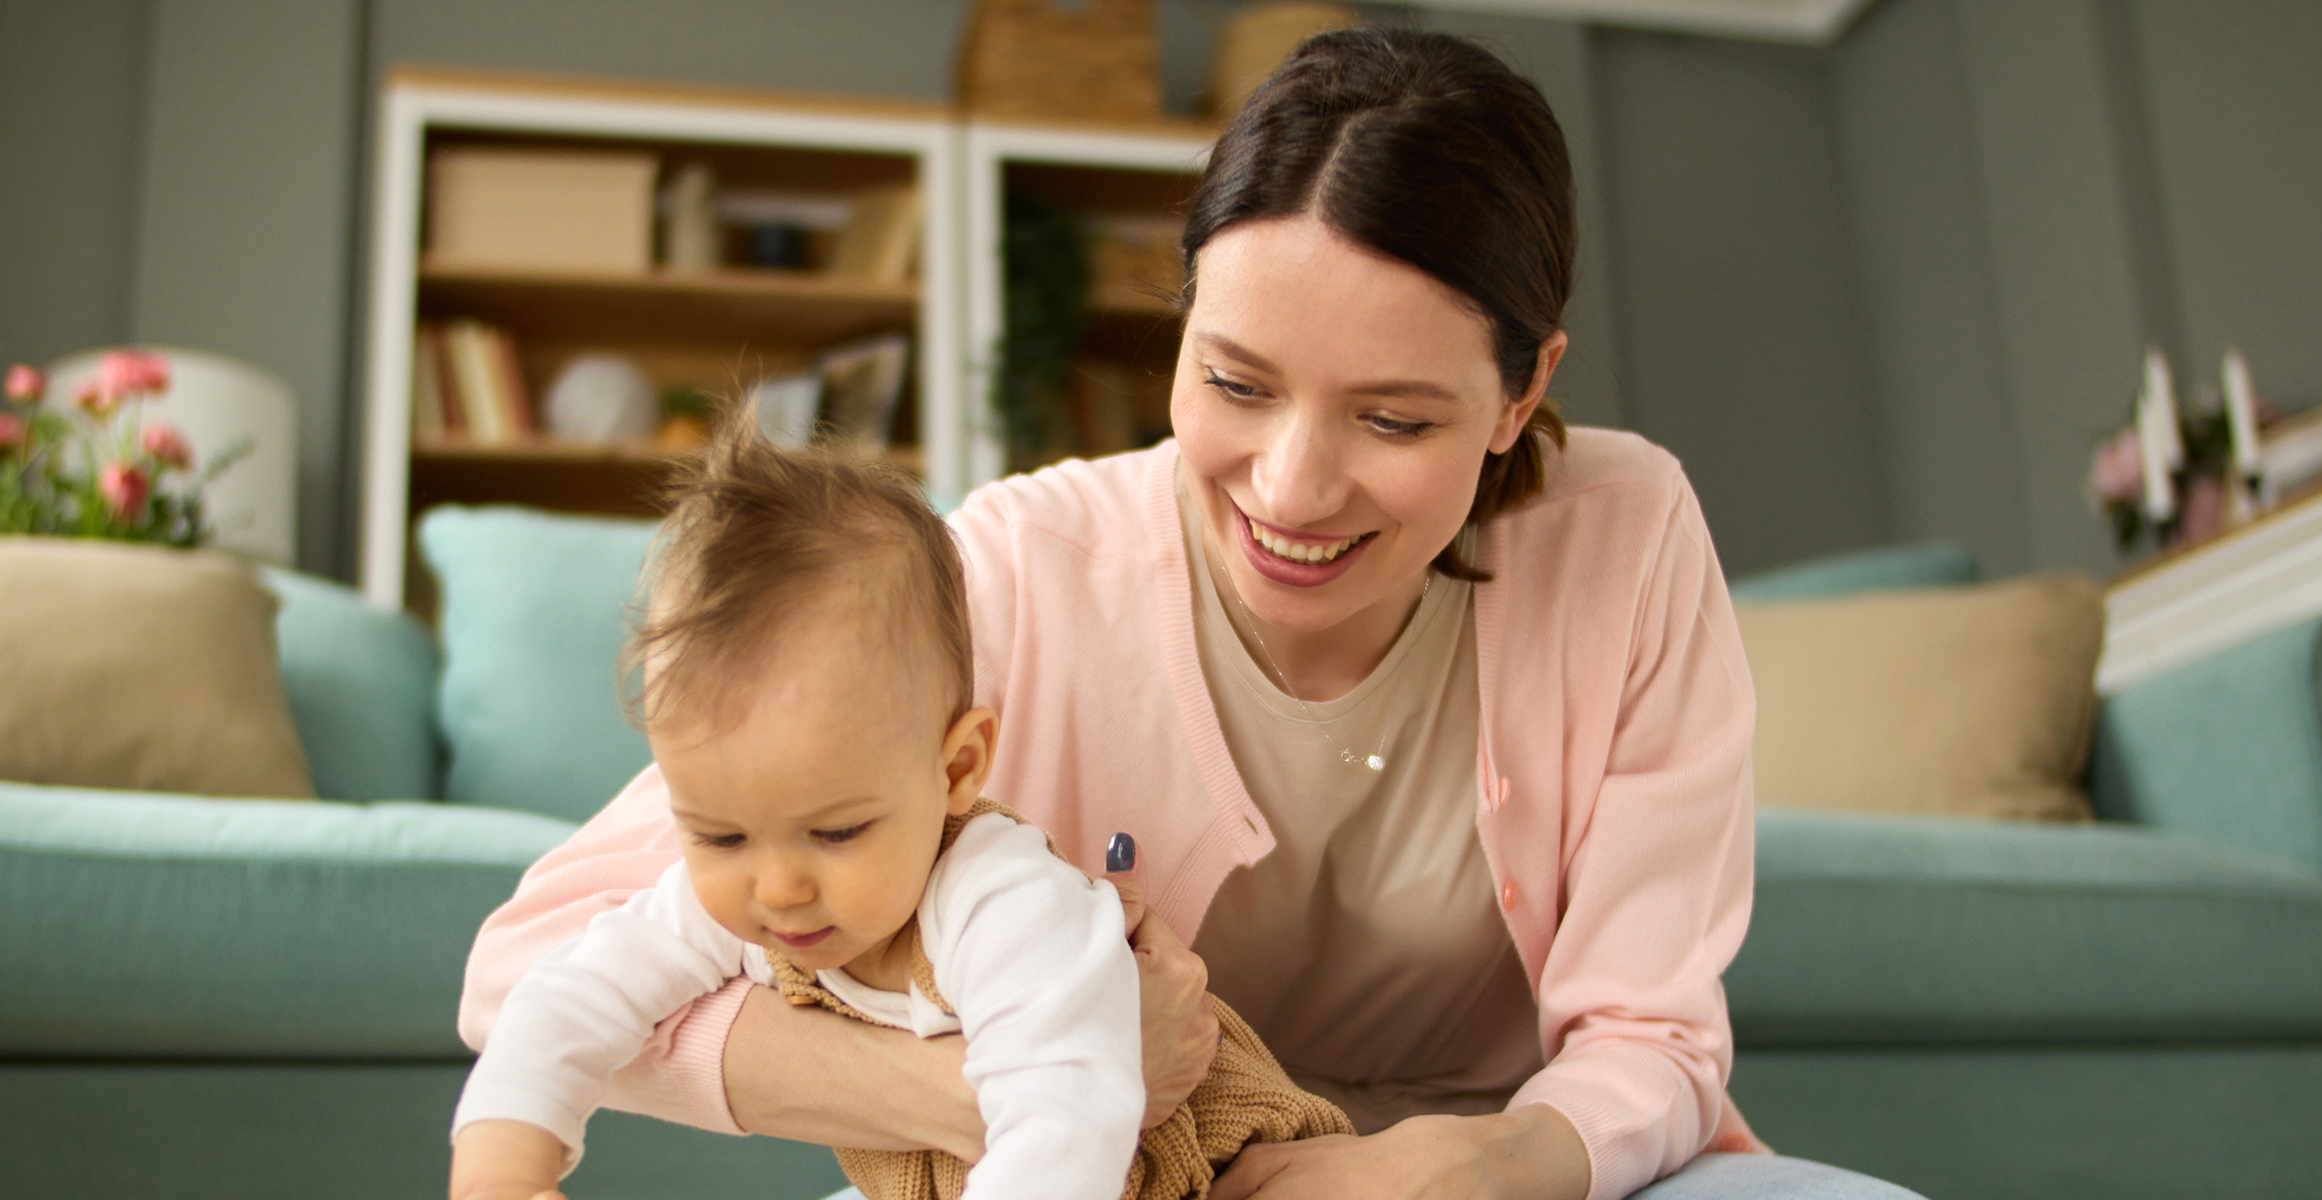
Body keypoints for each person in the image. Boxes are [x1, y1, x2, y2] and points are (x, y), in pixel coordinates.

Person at [460, 27, 1924, 1200]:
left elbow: (1656, 1039)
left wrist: (1482, 1164)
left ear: (1523, 391)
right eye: (1234, 383)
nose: (1292, 486)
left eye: (1394, 417)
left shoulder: (1626, 535)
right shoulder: (1016, 570)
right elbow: (528, 971)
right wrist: (1011, 1087)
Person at [448, 434, 1343, 1200]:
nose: (779, 887)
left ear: (956, 768)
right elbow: (570, 996)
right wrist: (500, 1167)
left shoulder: (1005, 901)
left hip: (1204, 1177)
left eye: (836, 833)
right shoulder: (735, 902)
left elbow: (1061, 1124)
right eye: (719, 835)